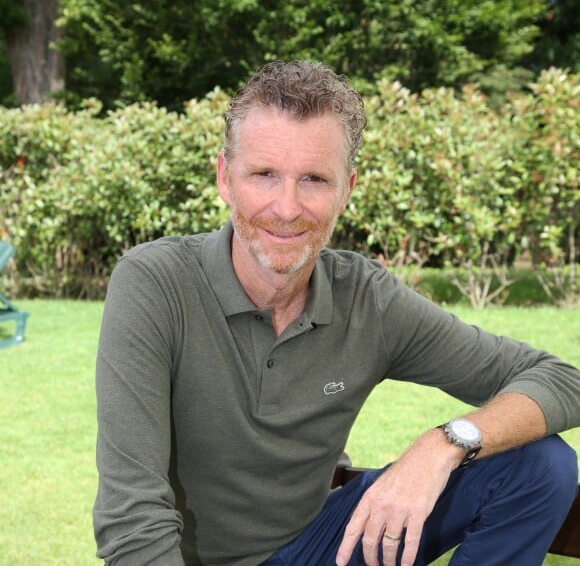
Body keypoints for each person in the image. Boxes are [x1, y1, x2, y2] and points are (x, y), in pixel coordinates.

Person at [93, 60, 579, 566]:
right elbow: (133, 520)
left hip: (325, 546)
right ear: (225, 177)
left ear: (346, 189)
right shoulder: (154, 283)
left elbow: (561, 380)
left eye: (314, 180)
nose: (287, 207)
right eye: (264, 175)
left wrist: (445, 444)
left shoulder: (367, 299)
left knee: (540, 464)